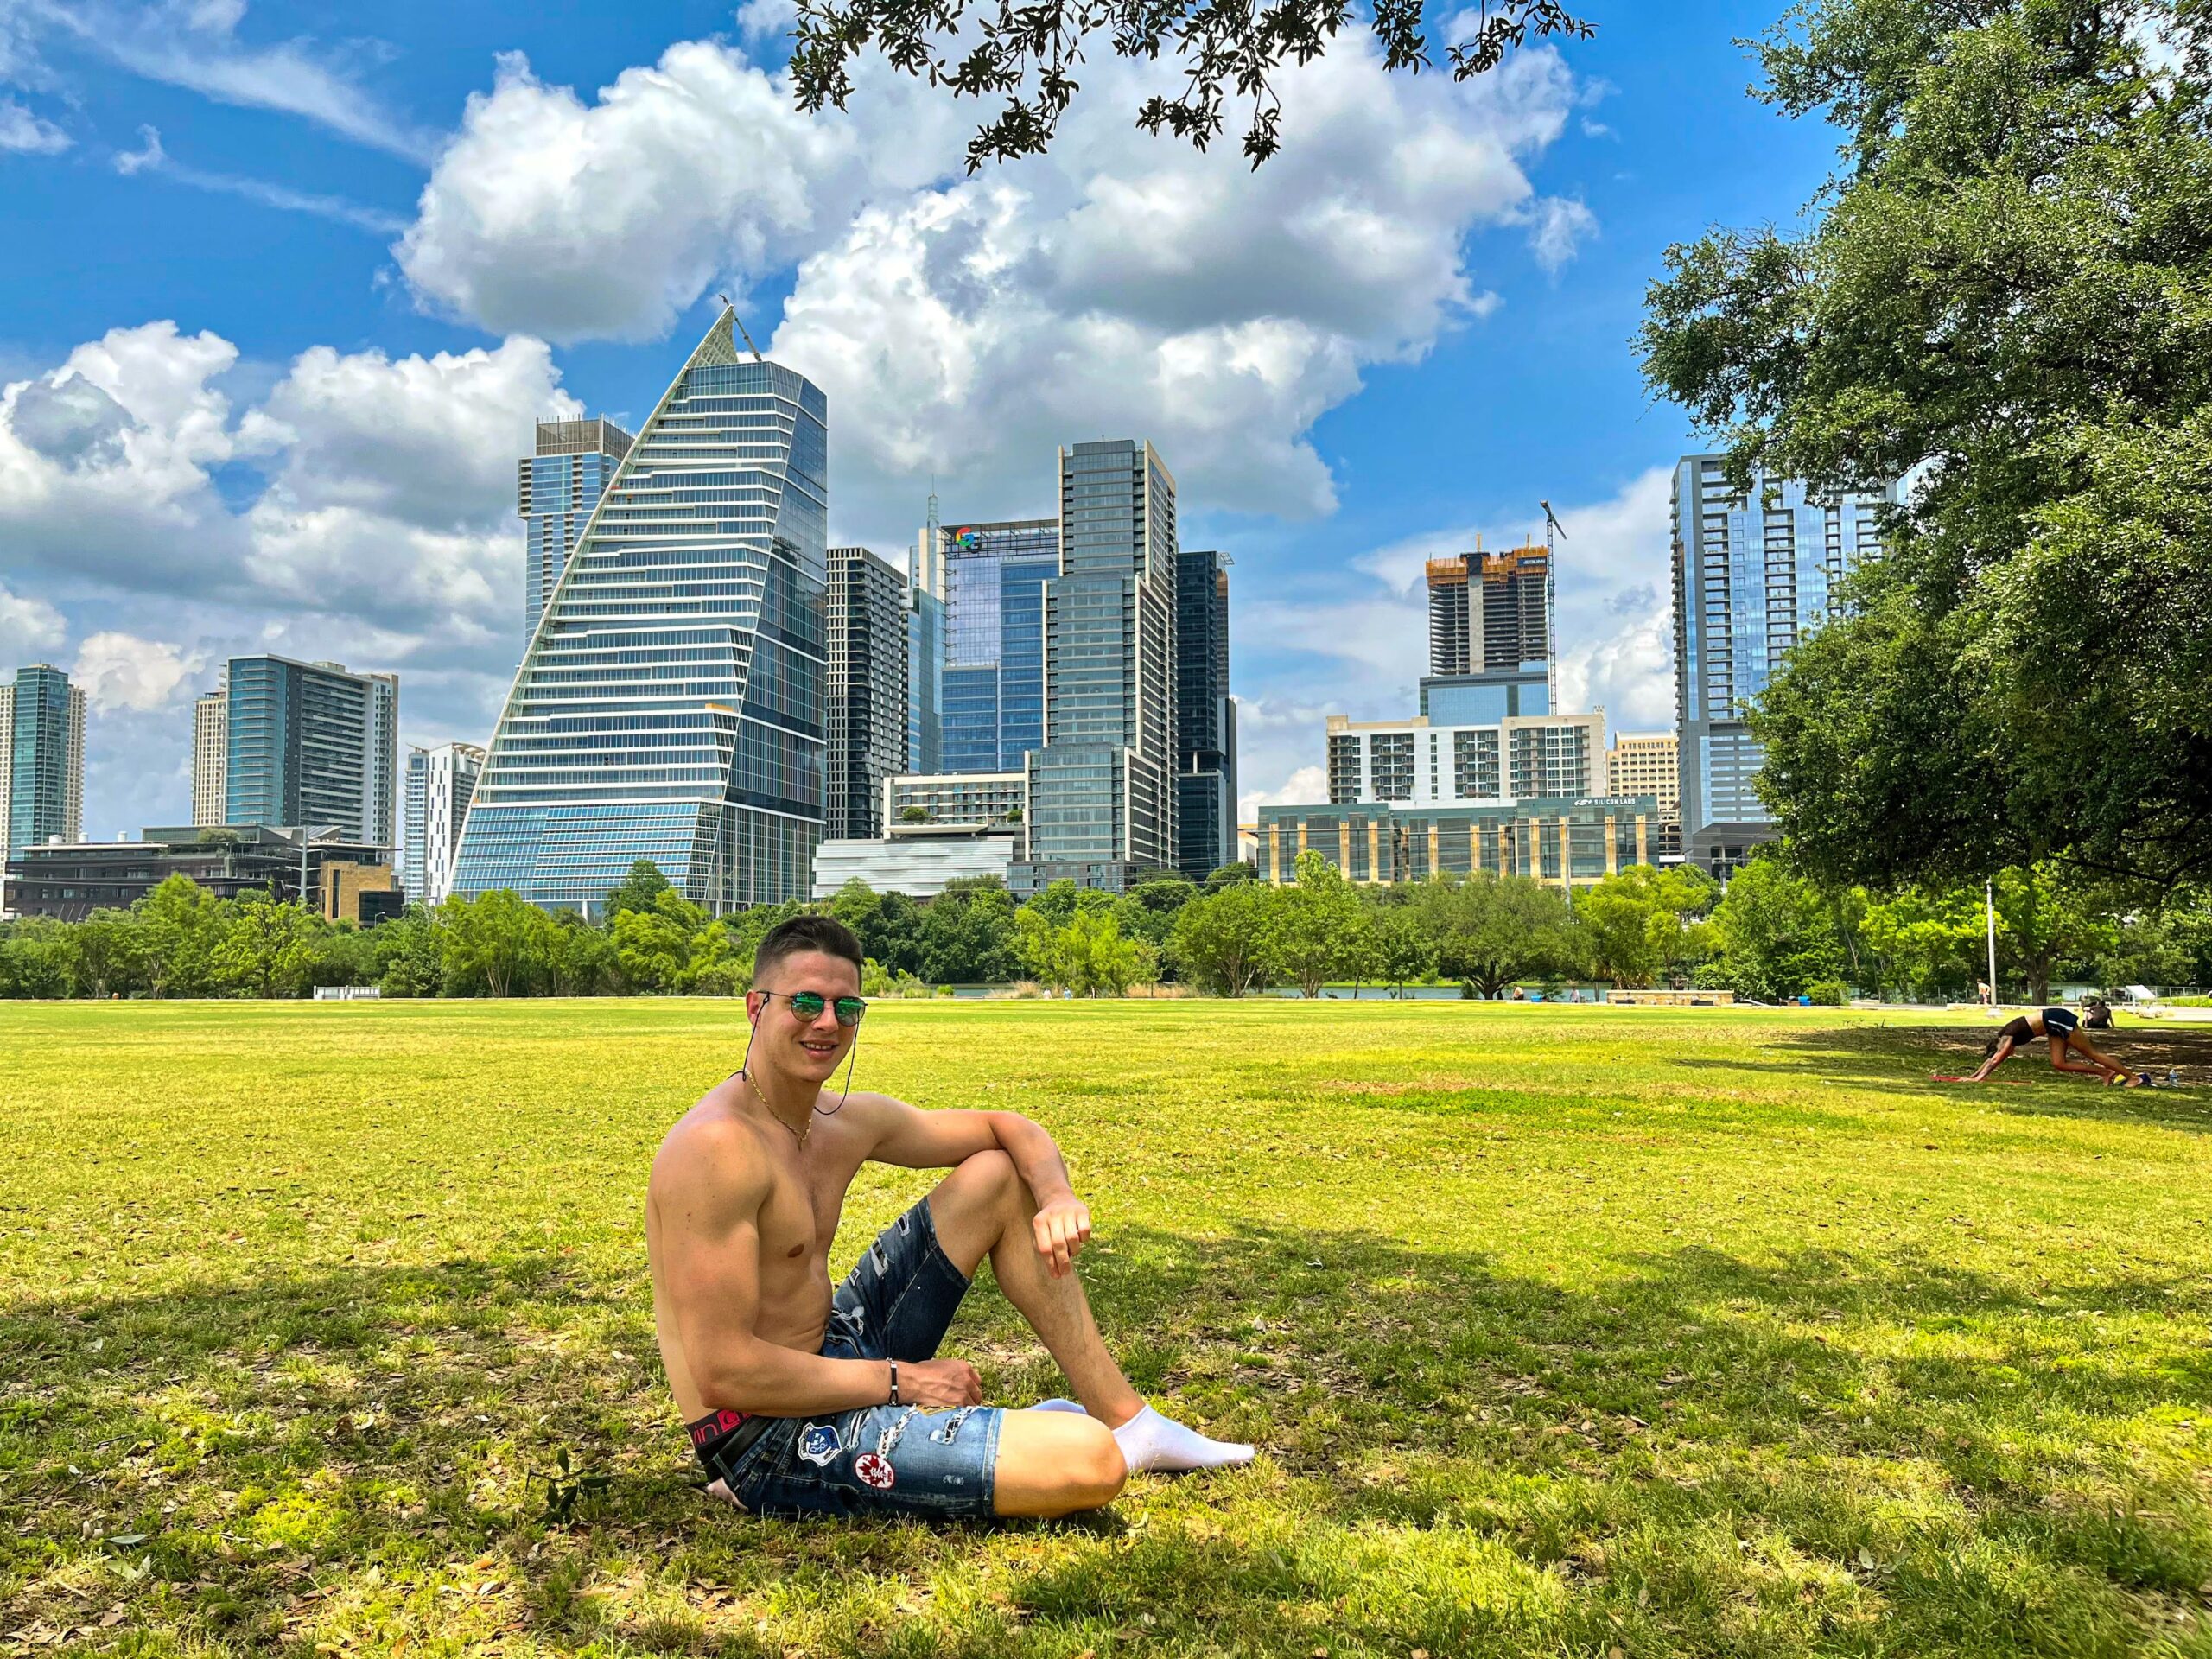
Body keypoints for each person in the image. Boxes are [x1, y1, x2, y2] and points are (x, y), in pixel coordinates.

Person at [645, 915, 1254, 1522]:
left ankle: (1132, 1421)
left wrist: (1057, 1196)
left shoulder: (835, 1121)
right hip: (763, 1432)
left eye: (846, 1007)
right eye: (805, 1001)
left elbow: (1006, 1128)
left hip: (831, 1353)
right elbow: (724, 1372)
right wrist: (904, 1382)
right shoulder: (716, 1150)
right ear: (756, 1007)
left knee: (996, 1174)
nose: (827, 1022)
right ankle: (1013, 1442)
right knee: (1091, 1463)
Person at [1963, 998, 2142, 1084]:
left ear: (1999, 1046)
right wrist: (1972, 1077)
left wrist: (1978, 1079)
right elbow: (1991, 1059)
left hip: (2057, 1020)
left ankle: (2131, 1077)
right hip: (2052, 1027)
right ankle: (2105, 1073)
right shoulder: (2004, 1037)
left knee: (2091, 1053)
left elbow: (1995, 1059)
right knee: (2059, 1063)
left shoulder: (2006, 1037)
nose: (2009, 1054)